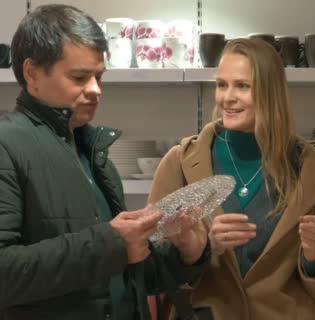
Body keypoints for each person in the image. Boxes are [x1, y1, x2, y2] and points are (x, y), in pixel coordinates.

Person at [0, 4, 207, 320]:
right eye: (80, 77)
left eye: (99, 76)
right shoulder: (6, 144)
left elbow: (127, 278)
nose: (96, 90)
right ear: (32, 73)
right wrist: (110, 244)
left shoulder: (91, 151)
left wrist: (185, 255)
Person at [148, 38, 315, 320]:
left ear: (270, 93)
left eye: (242, 86)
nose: (227, 97)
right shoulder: (179, 164)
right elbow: (150, 266)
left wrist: (314, 254)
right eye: (221, 84)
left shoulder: (312, 171)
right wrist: (204, 249)